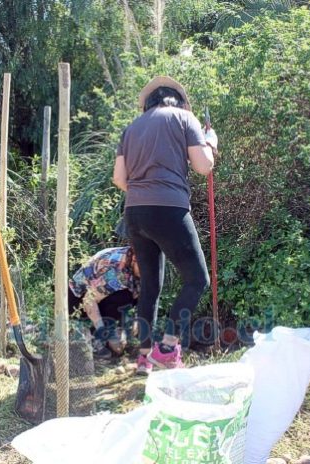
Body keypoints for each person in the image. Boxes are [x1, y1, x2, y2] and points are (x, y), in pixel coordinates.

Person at [113, 76, 216, 375]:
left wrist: (145, 192)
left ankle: (144, 357)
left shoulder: (131, 128)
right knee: (197, 280)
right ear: (179, 102)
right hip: (169, 208)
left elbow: (119, 179)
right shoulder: (186, 118)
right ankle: (168, 349)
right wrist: (210, 141)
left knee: (150, 286)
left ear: (149, 103)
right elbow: (203, 165)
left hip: (134, 211)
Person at [69, 246, 141, 359]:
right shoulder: (116, 272)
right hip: (78, 301)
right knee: (123, 297)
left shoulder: (138, 262)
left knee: (127, 296)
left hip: (103, 298)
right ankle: (95, 336)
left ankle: (112, 330)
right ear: (135, 260)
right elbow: (89, 300)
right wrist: (105, 334)